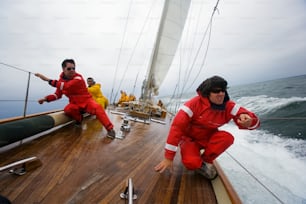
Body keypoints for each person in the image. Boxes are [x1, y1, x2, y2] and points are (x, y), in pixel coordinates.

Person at [154, 76, 260, 179]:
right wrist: (169, 158)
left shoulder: (229, 106)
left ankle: (205, 161)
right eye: (216, 91)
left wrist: (249, 122)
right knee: (191, 163)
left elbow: (253, 120)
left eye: (223, 90)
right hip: (189, 139)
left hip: (208, 137)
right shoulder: (192, 105)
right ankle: (198, 163)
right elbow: (176, 128)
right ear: (207, 93)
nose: (221, 94)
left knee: (227, 138)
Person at [35, 59, 116, 139]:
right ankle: (79, 120)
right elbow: (57, 95)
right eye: (69, 68)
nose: (72, 70)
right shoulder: (61, 81)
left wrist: (47, 80)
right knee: (68, 109)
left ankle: (110, 129)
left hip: (87, 101)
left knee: (98, 107)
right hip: (75, 103)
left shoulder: (78, 78)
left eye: (73, 68)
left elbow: (67, 86)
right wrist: (45, 99)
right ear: (63, 69)